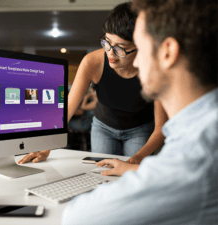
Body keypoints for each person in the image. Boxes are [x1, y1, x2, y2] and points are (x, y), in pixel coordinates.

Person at [61, 0, 218, 224]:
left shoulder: (195, 155)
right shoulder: (201, 128)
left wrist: (139, 167)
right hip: (105, 125)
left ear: (167, 52)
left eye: (141, 48)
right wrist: (133, 171)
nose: (138, 64)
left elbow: (77, 218)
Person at [18, 2, 168, 167]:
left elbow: (161, 126)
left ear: (140, 46)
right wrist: (46, 146)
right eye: (107, 42)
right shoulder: (92, 62)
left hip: (140, 129)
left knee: (131, 178)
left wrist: (138, 159)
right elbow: (68, 107)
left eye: (120, 49)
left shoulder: (154, 69)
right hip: (103, 127)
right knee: (101, 175)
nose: (111, 53)